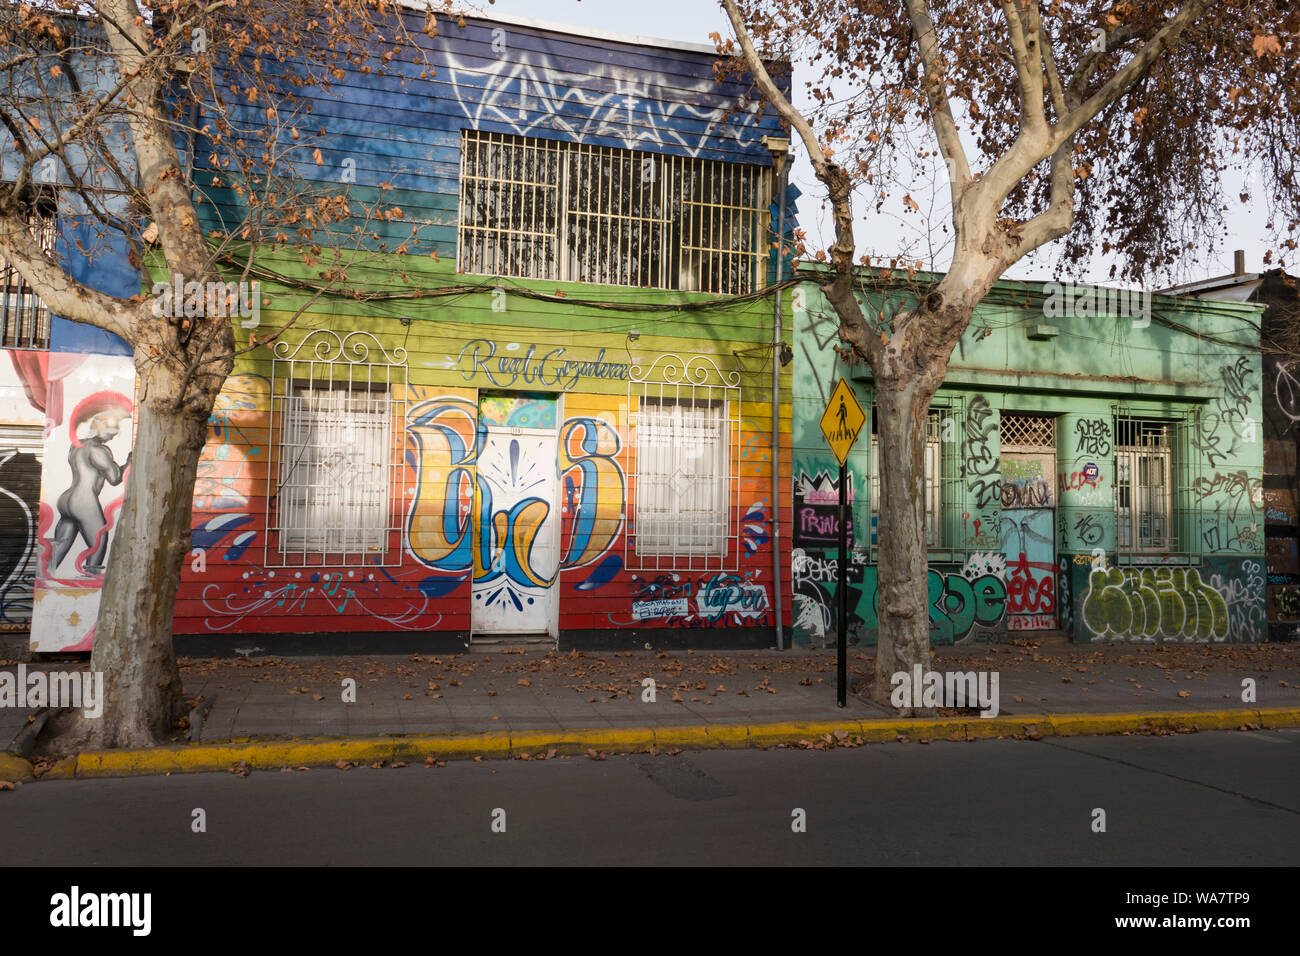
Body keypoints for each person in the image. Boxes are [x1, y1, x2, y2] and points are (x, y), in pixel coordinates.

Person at [48, 411, 131, 575]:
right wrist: (129, 463)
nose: (113, 437)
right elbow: (115, 478)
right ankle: (91, 581)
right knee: (98, 542)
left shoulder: (77, 445)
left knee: (61, 543)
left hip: (67, 499)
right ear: (101, 429)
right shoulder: (98, 450)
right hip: (84, 500)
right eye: (112, 432)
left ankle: (46, 575)